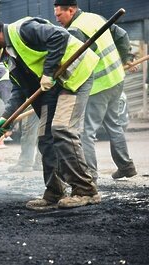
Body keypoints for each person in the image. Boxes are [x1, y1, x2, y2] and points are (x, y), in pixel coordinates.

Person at [0, 14, 101, 210]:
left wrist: (49, 72)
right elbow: (18, 91)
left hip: (76, 75)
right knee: (45, 137)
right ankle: (54, 192)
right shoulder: (9, 57)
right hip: (55, 86)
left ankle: (86, 190)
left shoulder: (23, 29)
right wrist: (5, 118)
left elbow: (59, 36)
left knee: (62, 129)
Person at [53, 0, 138, 182]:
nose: (57, 20)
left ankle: (90, 174)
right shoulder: (94, 18)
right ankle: (126, 166)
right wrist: (123, 59)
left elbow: (76, 64)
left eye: (59, 15)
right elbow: (122, 36)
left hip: (99, 86)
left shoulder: (75, 30)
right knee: (114, 125)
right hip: (116, 78)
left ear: (71, 10)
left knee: (86, 132)